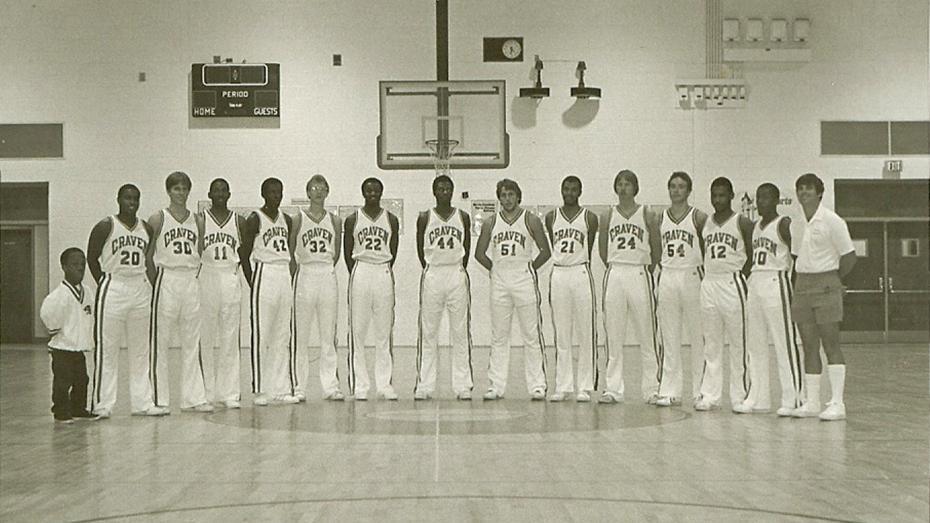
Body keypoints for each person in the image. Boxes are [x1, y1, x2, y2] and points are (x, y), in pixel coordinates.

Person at [87, 184, 167, 417]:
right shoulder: (106, 225)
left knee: (141, 349)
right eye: (127, 197)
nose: (131, 202)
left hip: (139, 287)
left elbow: (149, 259)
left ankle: (142, 403)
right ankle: (103, 404)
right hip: (114, 285)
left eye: (135, 198)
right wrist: (104, 281)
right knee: (107, 349)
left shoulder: (147, 229)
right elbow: (92, 258)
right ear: (118, 199)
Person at [475, 179, 551, 400]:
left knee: (531, 335)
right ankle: (496, 386)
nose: (507, 198)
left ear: (518, 196)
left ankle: (538, 385)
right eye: (503, 195)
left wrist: (529, 269)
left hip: (524, 279)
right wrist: (496, 269)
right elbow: (479, 254)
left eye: (511, 194)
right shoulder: (490, 223)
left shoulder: (531, 220)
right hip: (500, 281)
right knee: (499, 336)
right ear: (498, 198)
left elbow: (545, 251)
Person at [789, 173, 856, 421]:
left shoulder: (832, 221)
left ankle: (838, 402)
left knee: (831, 343)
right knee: (808, 345)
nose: (803, 193)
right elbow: (797, 256)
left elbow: (849, 256)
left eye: (808, 188)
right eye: (800, 189)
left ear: (819, 193)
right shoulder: (796, 222)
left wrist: (834, 280)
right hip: (803, 284)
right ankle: (813, 401)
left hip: (827, 282)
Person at [734, 183, 803, 416]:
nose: (761, 202)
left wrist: (794, 289)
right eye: (758, 198)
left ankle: (793, 397)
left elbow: (797, 258)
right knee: (755, 344)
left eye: (766, 197)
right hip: (756, 283)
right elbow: (751, 259)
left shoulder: (784, 224)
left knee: (784, 342)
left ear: (776, 200)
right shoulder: (755, 227)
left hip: (777, 281)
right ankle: (758, 397)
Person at [147, 171, 212, 413]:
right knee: (160, 342)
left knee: (192, 340)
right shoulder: (157, 218)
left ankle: (193, 398)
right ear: (168, 191)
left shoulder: (198, 220)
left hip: (190, 279)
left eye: (184, 188)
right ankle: (158, 399)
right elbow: (148, 255)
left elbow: (200, 251)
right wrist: (156, 283)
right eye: (176, 188)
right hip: (167, 278)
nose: (181, 193)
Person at [599, 170, 662, 404]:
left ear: (636, 187)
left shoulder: (648, 213)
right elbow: (603, 250)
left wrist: (647, 267)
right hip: (615, 272)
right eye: (620, 183)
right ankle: (613, 389)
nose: (623, 187)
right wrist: (615, 265)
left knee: (647, 335)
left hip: (639, 272)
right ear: (615, 187)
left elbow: (657, 246)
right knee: (613, 336)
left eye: (628, 184)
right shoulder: (608, 215)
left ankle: (652, 389)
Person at [413, 175, 474, 401]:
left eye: (448, 188)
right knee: (428, 333)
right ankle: (424, 385)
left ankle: (462, 385)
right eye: (440, 188)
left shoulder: (463, 216)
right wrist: (430, 268)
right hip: (433, 273)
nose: (444, 191)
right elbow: (420, 247)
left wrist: (458, 268)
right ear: (434, 191)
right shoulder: (424, 217)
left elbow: (467, 245)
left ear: (453, 190)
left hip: (456, 272)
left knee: (459, 332)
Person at [695, 177, 754, 411]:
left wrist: (739, 275)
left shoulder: (743, 222)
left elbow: (750, 253)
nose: (718, 200)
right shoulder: (705, 224)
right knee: (711, 342)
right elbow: (703, 253)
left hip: (732, 282)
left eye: (722, 195)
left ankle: (740, 395)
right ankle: (710, 395)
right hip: (710, 282)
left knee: (738, 342)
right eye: (714, 195)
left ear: (731, 196)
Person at [240, 177, 299, 406]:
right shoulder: (255, 219)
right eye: (272, 192)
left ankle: (281, 388)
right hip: (264, 272)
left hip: (283, 272)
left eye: (279, 192)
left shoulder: (287, 219)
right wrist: (253, 281)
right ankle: (260, 389)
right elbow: (244, 254)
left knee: (282, 334)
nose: (276, 196)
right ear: (263, 194)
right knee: (261, 333)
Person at [343, 177, 400, 401]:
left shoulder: (391, 219)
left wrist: (382, 267)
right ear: (363, 192)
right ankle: (360, 386)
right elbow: (348, 251)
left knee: (384, 332)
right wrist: (359, 271)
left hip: (383, 270)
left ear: (381, 192)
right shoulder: (352, 219)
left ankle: (384, 384)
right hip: (361, 270)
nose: (373, 193)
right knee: (357, 331)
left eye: (376, 189)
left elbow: (393, 250)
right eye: (369, 190)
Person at [289, 174, 345, 402]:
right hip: (305, 273)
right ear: (308, 192)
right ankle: (298, 387)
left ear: (327, 191)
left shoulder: (335, 220)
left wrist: (326, 268)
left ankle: (330, 386)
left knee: (328, 335)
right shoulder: (298, 218)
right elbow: (291, 249)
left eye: (322, 188)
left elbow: (338, 253)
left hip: (326, 273)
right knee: (300, 335)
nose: (319, 192)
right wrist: (298, 274)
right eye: (314, 188)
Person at [655, 171, 708, 407]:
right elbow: (657, 249)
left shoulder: (699, 217)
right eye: (673, 186)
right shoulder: (660, 218)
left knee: (698, 336)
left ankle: (701, 390)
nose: (677, 190)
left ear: (689, 190)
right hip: (668, 274)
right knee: (669, 335)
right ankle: (669, 389)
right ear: (668, 189)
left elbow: (707, 249)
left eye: (681, 186)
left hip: (691, 275)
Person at [545, 175, 598, 402]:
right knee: (562, 333)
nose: (569, 192)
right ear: (561, 190)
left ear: (580, 191)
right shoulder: (551, 217)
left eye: (573, 189)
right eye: (566, 188)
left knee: (585, 331)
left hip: (580, 271)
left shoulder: (590, 217)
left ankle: (584, 386)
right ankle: (563, 385)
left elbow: (591, 244)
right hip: (559, 273)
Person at [199, 178, 245, 409]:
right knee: (205, 337)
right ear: (209, 193)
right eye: (215, 190)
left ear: (229, 193)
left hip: (229, 276)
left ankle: (229, 393)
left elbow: (244, 254)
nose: (219, 193)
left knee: (229, 338)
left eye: (223, 190)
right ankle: (205, 393)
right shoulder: (200, 220)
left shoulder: (239, 220)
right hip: (206, 276)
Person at [40, 248, 100, 423]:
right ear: (64, 267)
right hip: (63, 348)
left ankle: (78, 408)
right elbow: (48, 316)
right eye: (75, 264)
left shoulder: (87, 292)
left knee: (82, 380)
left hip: (78, 347)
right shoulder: (58, 296)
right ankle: (60, 411)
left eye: (82, 264)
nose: (80, 268)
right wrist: (57, 330)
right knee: (62, 382)